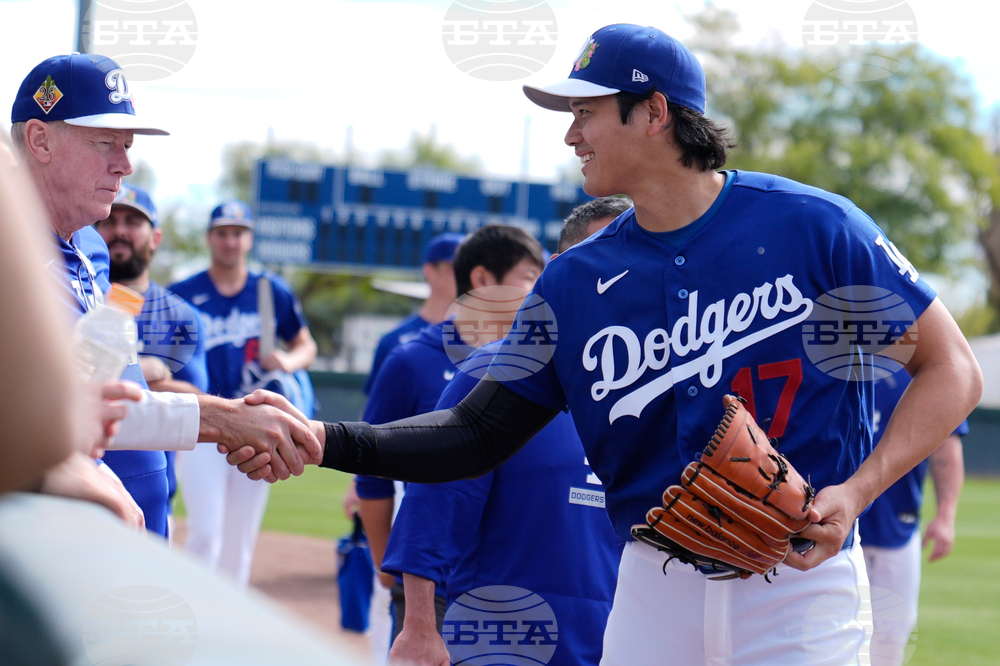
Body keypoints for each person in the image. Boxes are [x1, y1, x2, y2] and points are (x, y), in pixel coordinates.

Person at [229, 24, 982, 665]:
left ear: (654, 112)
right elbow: (476, 430)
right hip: (655, 584)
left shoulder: (814, 227)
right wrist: (325, 438)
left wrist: (857, 491)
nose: (569, 132)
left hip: (800, 578)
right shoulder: (572, 281)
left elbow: (953, 370)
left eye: (585, 110)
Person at [10, 53, 321, 538]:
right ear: (40, 138)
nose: (125, 164)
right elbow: (41, 417)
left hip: (140, 522)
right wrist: (218, 417)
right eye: (105, 142)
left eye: (128, 145)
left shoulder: (93, 246)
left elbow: (95, 389)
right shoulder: (13, 258)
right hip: (63, 540)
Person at [382, 204, 623, 666]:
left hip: (615, 643)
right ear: (561, 270)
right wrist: (417, 627)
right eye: (605, 252)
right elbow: (434, 503)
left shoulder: (659, 393)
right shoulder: (496, 373)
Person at [359, 224, 545, 651]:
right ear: (482, 280)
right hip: (432, 573)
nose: (540, 288)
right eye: (530, 276)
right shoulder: (410, 360)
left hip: (510, 572)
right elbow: (370, 473)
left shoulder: (541, 367)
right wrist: (387, 563)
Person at [169, 201, 318, 586]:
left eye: (237, 232)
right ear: (209, 238)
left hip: (256, 422)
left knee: (240, 540)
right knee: (205, 533)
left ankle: (225, 626)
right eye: (222, 232)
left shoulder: (270, 291)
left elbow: (307, 346)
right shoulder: (183, 292)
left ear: (248, 238)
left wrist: (287, 360)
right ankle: (198, 611)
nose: (230, 241)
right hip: (205, 421)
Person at [94, 183, 210, 537]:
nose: (120, 230)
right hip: (81, 476)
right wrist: (146, 369)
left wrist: (117, 370)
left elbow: (194, 396)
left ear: (155, 237)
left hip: (153, 488)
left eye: (133, 221)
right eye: (112, 220)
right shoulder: (81, 292)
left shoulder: (179, 314)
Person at [859, 369, 967, 666]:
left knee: (889, 646)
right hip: (826, 528)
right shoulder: (830, 357)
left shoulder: (924, 364)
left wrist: (945, 515)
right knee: (821, 640)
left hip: (896, 525)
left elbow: (947, 443)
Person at [363, 232, 464, 395]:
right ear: (430, 271)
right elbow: (373, 412)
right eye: (454, 268)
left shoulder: (480, 341)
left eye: (467, 268)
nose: (463, 275)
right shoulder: (394, 341)